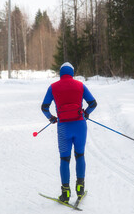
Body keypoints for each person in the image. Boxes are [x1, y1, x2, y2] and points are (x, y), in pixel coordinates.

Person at [41, 62, 97, 203]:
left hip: (63, 127)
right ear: (72, 72)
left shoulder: (53, 87)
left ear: (61, 73)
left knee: (64, 159)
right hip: (80, 126)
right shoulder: (80, 85)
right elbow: (93, 103)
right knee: (80, 155)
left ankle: (65, 194)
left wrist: (51, 118)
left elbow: (44, 107)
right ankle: (80, 189)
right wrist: (86, 114)